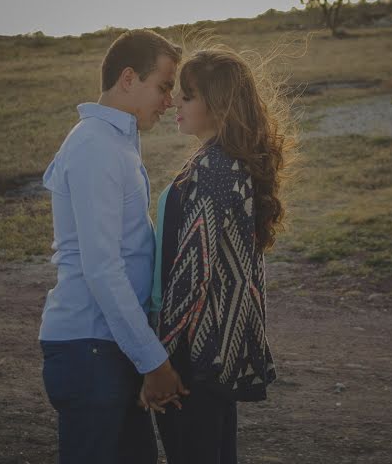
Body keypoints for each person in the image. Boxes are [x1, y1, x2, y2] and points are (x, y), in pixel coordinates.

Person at [39, 29, 189, 464]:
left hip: (108, 347)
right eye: (163, 86)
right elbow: (103, 268)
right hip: (90, 349)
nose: (169, 100)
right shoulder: (95, 146)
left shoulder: (115, 143)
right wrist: (154, 361)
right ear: (128, 78)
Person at [146, 48, 295, 463]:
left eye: (188, 96)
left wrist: (159, 361)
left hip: (193, 358)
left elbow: (193, 277)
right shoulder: (223, 161)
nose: (176, 102)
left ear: (219, 105)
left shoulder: (213, 168)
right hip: (213, 354)